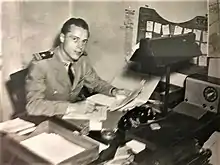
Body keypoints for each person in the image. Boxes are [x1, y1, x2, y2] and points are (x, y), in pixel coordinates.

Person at [25, 17, 130, 117]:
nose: (80, 47)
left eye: (84, 41)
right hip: (46, 120)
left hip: (70, 118)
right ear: (62, 38)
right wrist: (72, 107)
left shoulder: (81, 60)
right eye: (75, 39)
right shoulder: (41, 64)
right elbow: (33, 106)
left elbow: (95, 83)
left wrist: (114, 91)